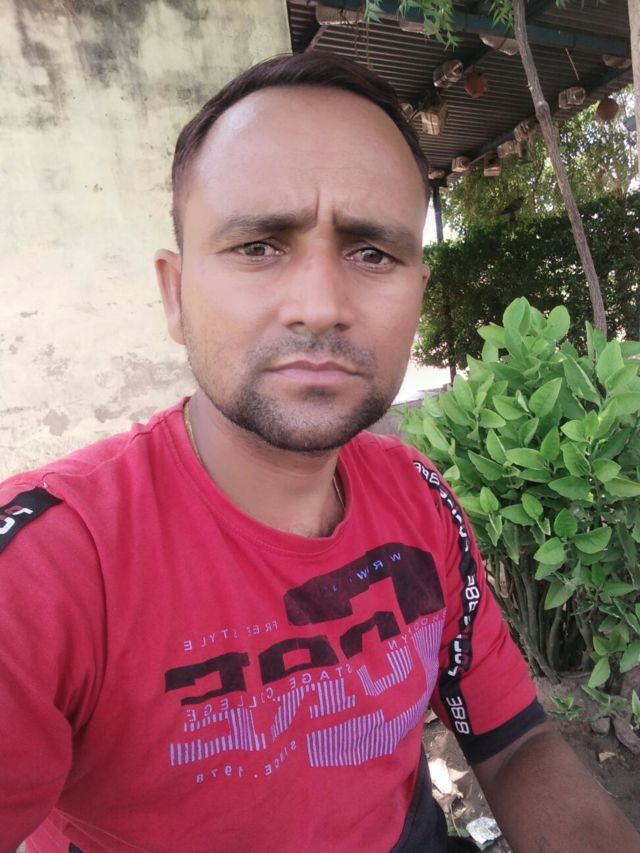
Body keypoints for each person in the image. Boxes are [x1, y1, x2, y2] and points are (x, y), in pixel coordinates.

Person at [0, 52, 638, 853]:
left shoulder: (417, 496)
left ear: (417, 292)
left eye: (372, 253)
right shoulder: (45, 568)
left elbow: (514, 742)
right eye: (259, 245)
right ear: (174, 295)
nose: (320, 305)